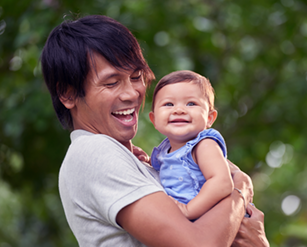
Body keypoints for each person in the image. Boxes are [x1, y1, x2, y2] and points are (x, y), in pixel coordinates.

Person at [41, 14, 269, 246]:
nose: (131, 93)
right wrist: (241, 189)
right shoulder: (93, 151)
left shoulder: (146, 159)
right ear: (68, 94)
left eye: (136, 76)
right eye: (111, 83)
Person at [149, 70, 237, 220]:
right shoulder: (163, 150)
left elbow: (222, 182)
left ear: (209, 118)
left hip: (207, 219)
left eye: (191, 103)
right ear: (154, 119)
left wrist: (189, 210)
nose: (179, 110)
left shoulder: (203, 145)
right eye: (169, 104)